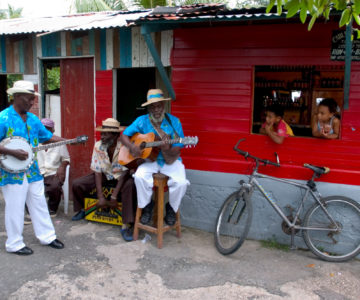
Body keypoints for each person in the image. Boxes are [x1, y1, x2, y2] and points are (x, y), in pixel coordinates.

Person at [0, 80, 65, 255]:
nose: (32, 102)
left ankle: (47, 236)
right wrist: (11, 152)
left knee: (39, 203)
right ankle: (14, 243)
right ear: (16, 97)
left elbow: (47, 137)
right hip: (11, 172)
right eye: (29, 99)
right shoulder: (3, 118)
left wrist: (69, 140)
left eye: (33, 99)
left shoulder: (33, 119)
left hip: (32, 170)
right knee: (15, 206)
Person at [120, 89, 190, 226]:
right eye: (152, 106)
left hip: (169, 161)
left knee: (181, 182)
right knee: (139, 176)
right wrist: (132, 147)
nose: (156, 109)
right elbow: (124, 136)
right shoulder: (141, 121)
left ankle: (171, 208)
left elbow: (177, 147)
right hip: (150, 160)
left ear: (163, 106)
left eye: (159, 105)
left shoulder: (174, 122)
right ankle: (147, 205)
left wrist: (166, 149)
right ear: (149, 108)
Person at [71, 118, 136, 242]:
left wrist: (113, 197)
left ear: (116, 135)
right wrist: (101, 197)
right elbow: (97, 171)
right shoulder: (98, 146)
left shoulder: (124, 146)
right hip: (106, 174)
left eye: (106, 134)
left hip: (121, 176)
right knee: (77, 184)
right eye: (102, 133)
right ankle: (83, 210)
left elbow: (124, 172)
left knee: (130, 186)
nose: (102, 136)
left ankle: (126, 224)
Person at [37, 118, 70, 217]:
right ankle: (31, 211)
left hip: (52, 172)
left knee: (54, 186)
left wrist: (62, 167)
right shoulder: (34, 141)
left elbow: (66, 158)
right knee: (28, 186)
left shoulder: (59, 142)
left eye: (48, 129)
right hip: (37, 172)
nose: (45, 132)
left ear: (53, 131)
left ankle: (52, 208)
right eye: (43, 129)